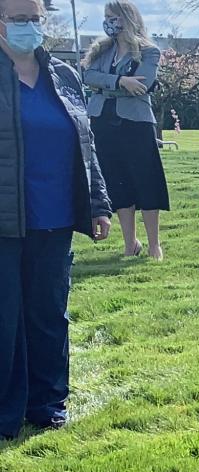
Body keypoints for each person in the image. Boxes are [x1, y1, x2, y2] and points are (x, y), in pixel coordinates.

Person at [0, 0, 111, 441]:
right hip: (6, 220)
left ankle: (46, 403)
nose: (28, 26)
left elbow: (86, 144)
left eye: (34, 18)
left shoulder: (62, 76)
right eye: (17, 18)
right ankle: (6, 412)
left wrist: (99, 202)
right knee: (6, 318)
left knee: (48, 314)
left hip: (55, 216)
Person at [81, 0, 167, 261]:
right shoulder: (100, 51)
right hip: (102, 121)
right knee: (116, 182)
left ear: (128, 19)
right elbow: (88, 76)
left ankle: (154, 245)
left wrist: (107, 85)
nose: (109, 22)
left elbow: (143, 84)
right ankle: (130, 244)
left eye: (114, 17)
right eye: (107, 17)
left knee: (145, 179)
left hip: (136, 123)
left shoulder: (148, 51)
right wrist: (120, 81)